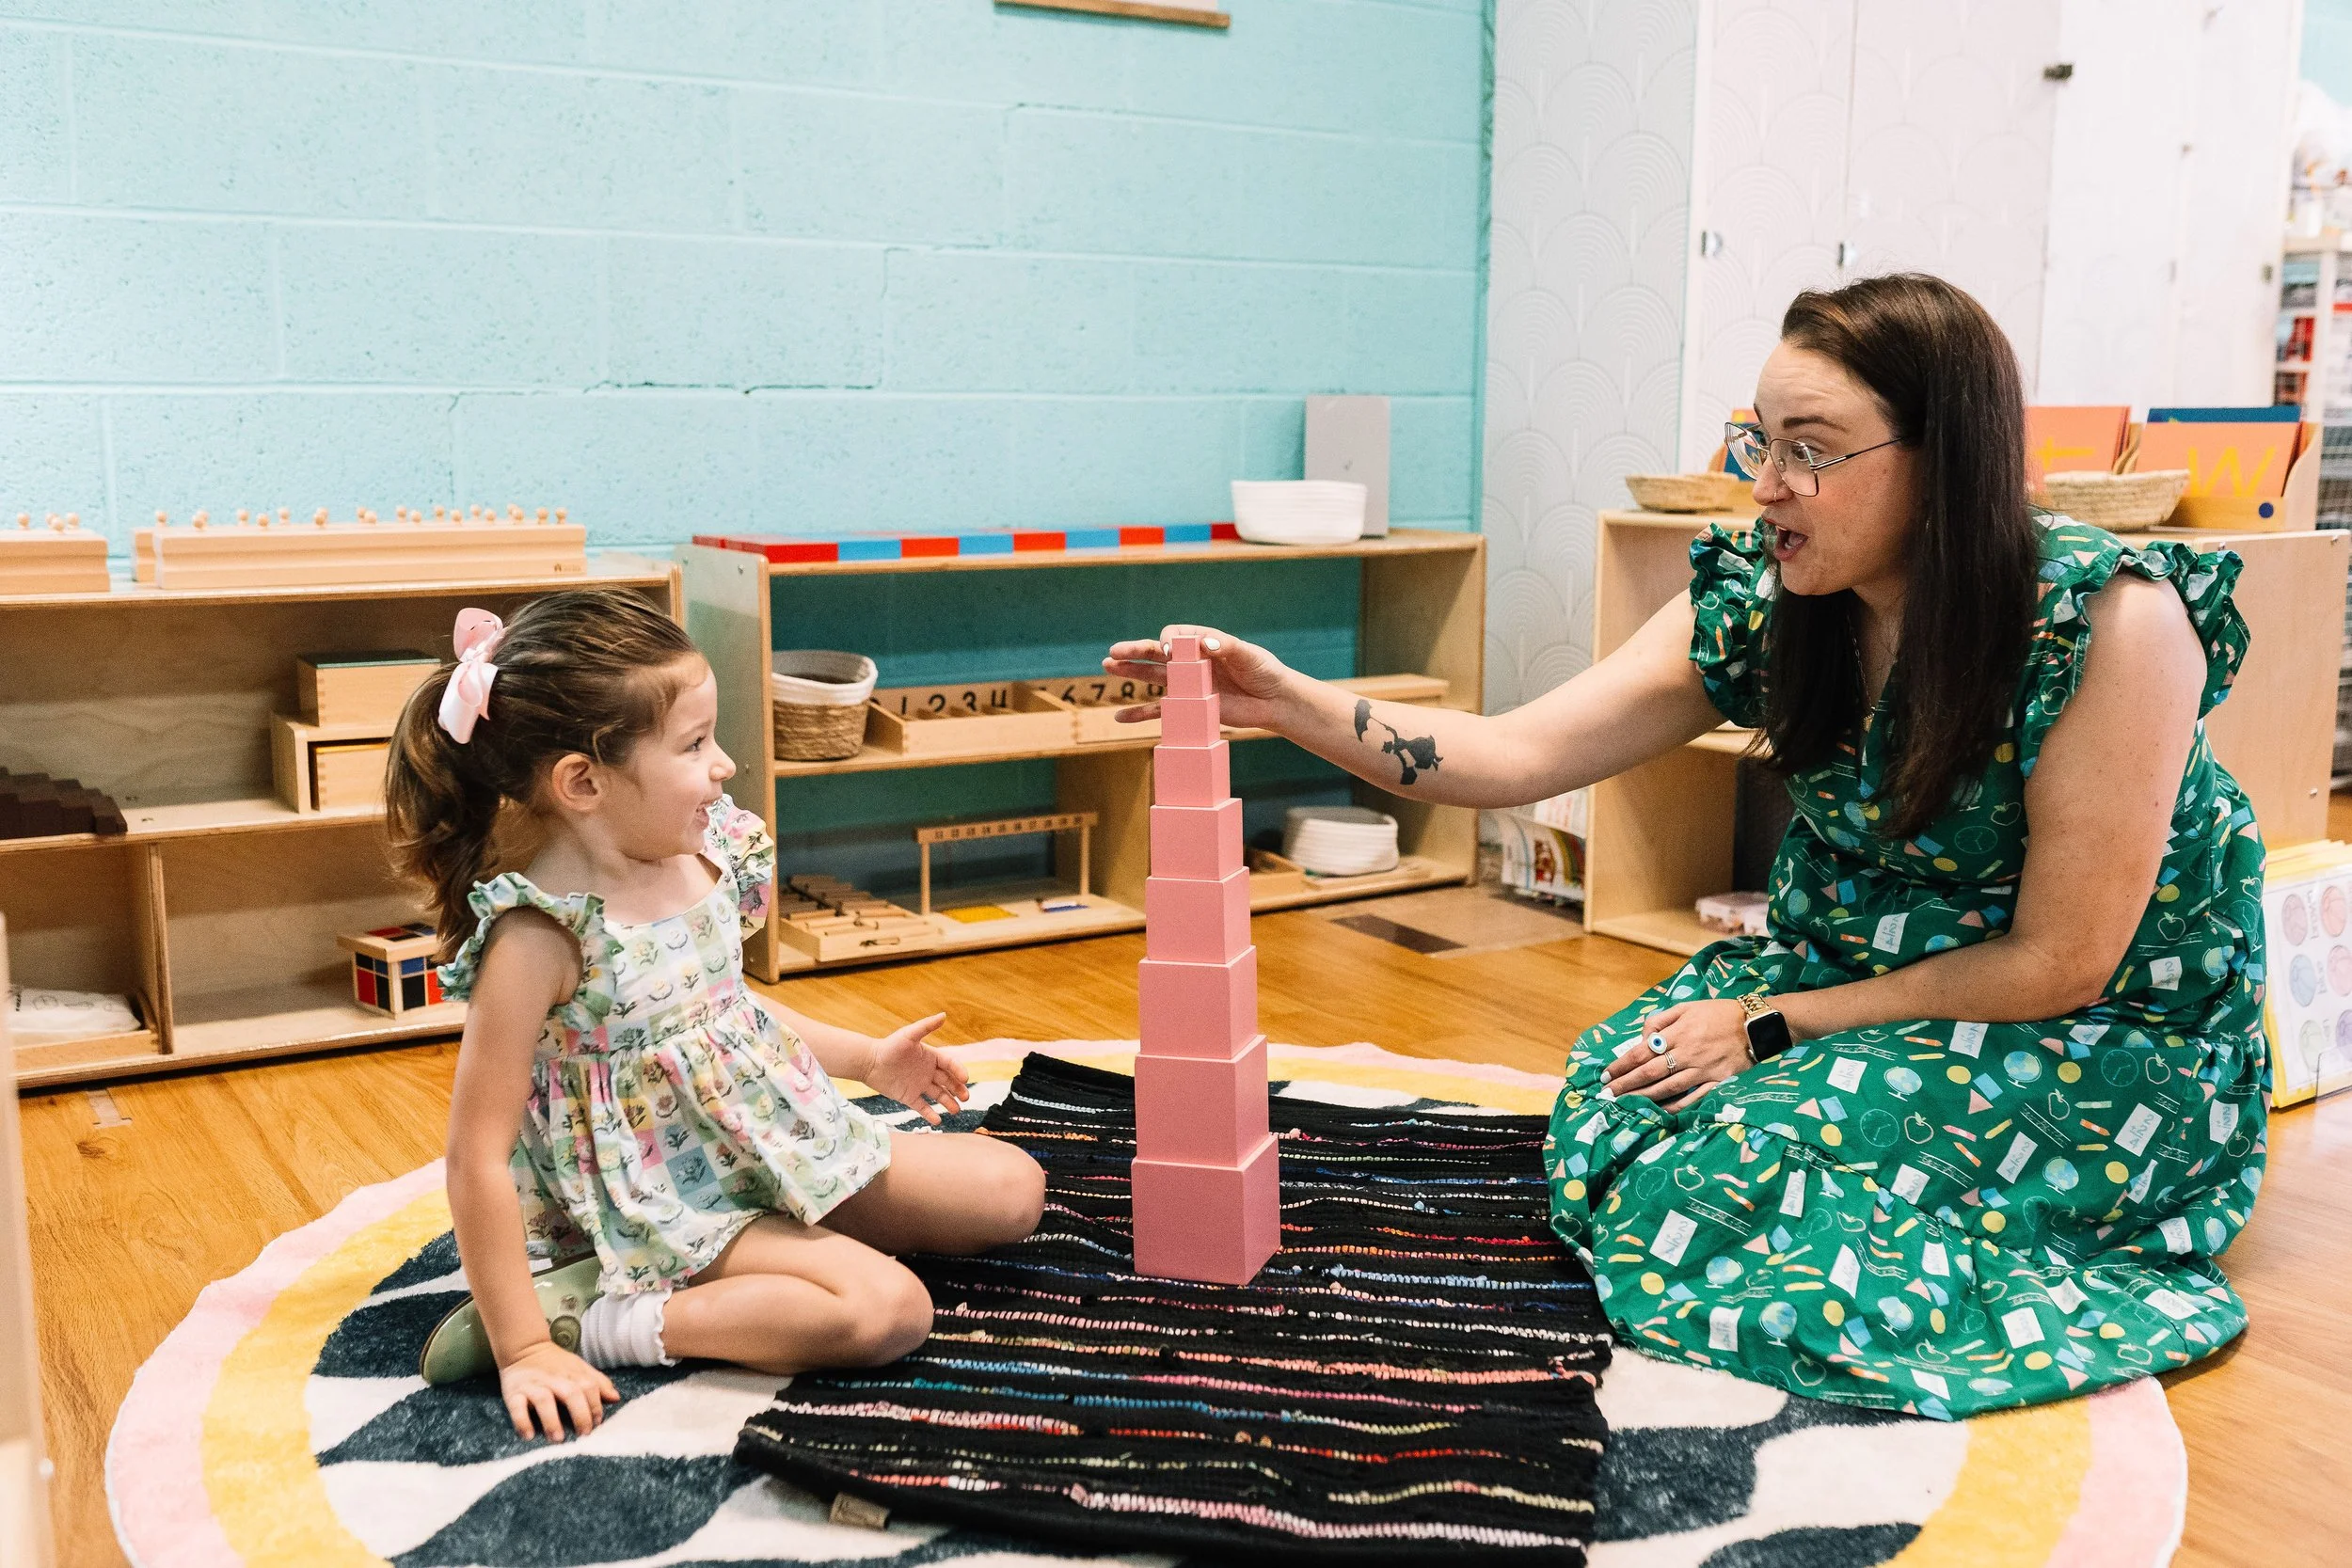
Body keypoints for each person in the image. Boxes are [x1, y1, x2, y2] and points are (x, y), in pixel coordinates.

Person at [1104, 274, 2265, 1419]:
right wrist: (1291, 699)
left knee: (1738, 1166)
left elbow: (2059, 961)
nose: (1765, 487)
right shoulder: (1775, 594)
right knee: (1630, 1092)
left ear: (1941, 455)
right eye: (1755, 443)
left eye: (1808, 449)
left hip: (2086, 1030)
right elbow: (1512, 756)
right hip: (1857, 981)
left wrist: (1770, 1025)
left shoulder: (2106, 619)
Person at [386, 591, 1044, 1443]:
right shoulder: (539, 938)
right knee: (888, 1309)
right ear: (583, 782)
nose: (725, 764)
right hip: (665, 1200)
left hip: (765, 1138)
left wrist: (870, 1061)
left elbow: (727, 1014)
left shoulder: (700, 853)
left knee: (1012, 1188)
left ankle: (778, 1240)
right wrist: (520, 1349)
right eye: (694, 745)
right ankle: (597, 1318)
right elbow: (473, 1152)